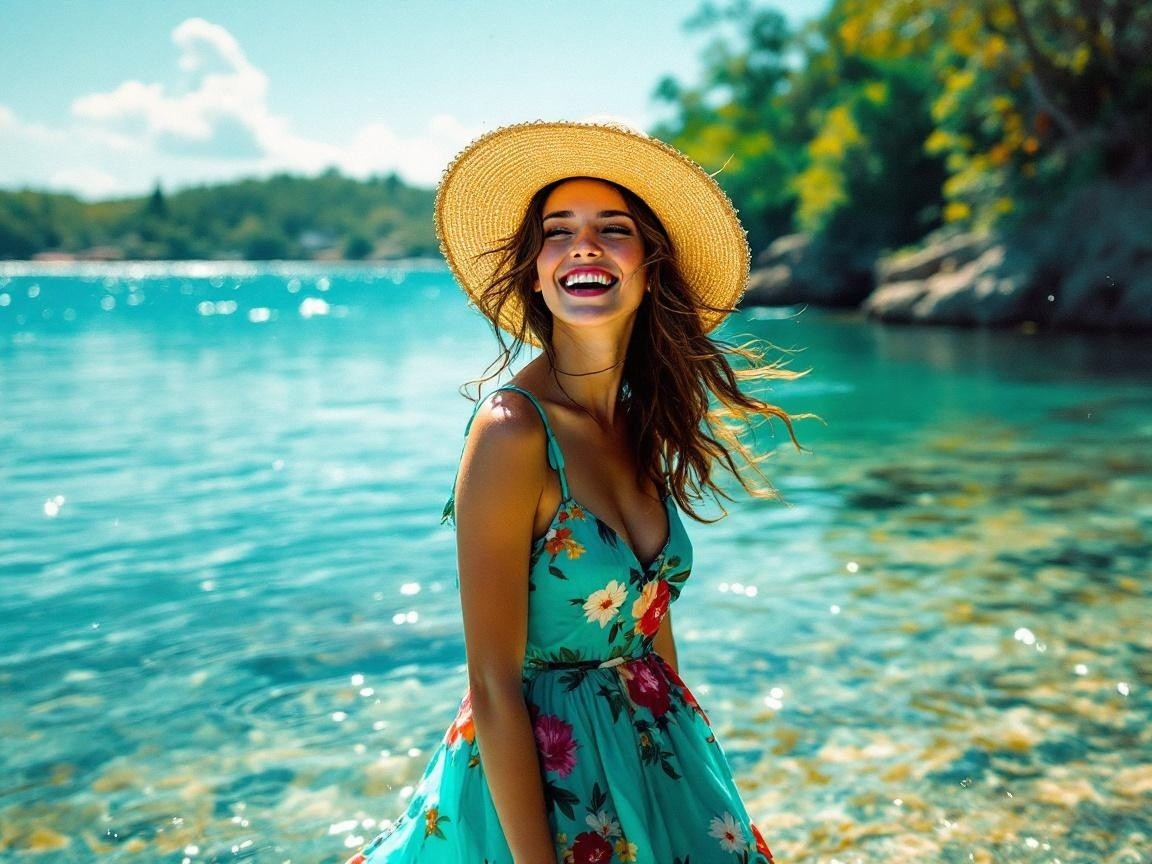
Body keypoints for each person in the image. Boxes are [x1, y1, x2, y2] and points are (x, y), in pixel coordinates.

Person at [346, 120, 799, 864]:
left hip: (658, 760)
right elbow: (492, 683)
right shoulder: (512, 433)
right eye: (558, 232)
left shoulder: (640, 421)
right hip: (543, 793)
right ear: (533, 270)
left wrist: (696, 788)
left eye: (611, 229)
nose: (582, 246)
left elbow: (653, 630)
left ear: (652, 266)